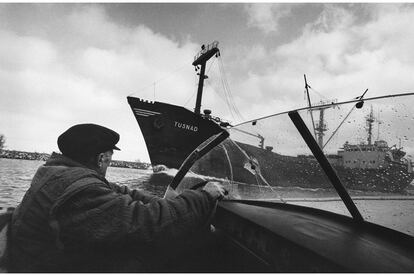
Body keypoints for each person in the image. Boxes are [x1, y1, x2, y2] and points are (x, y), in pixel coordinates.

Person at [9, 123, 226, 272]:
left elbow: (121, 192)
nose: (109, 163)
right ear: (101, 158)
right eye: (110, 159)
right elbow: (148, 221)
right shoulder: (81, 190)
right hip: (47, 267)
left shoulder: (60, 173)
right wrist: (203, 197)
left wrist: (166, 203)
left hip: (44, 257)